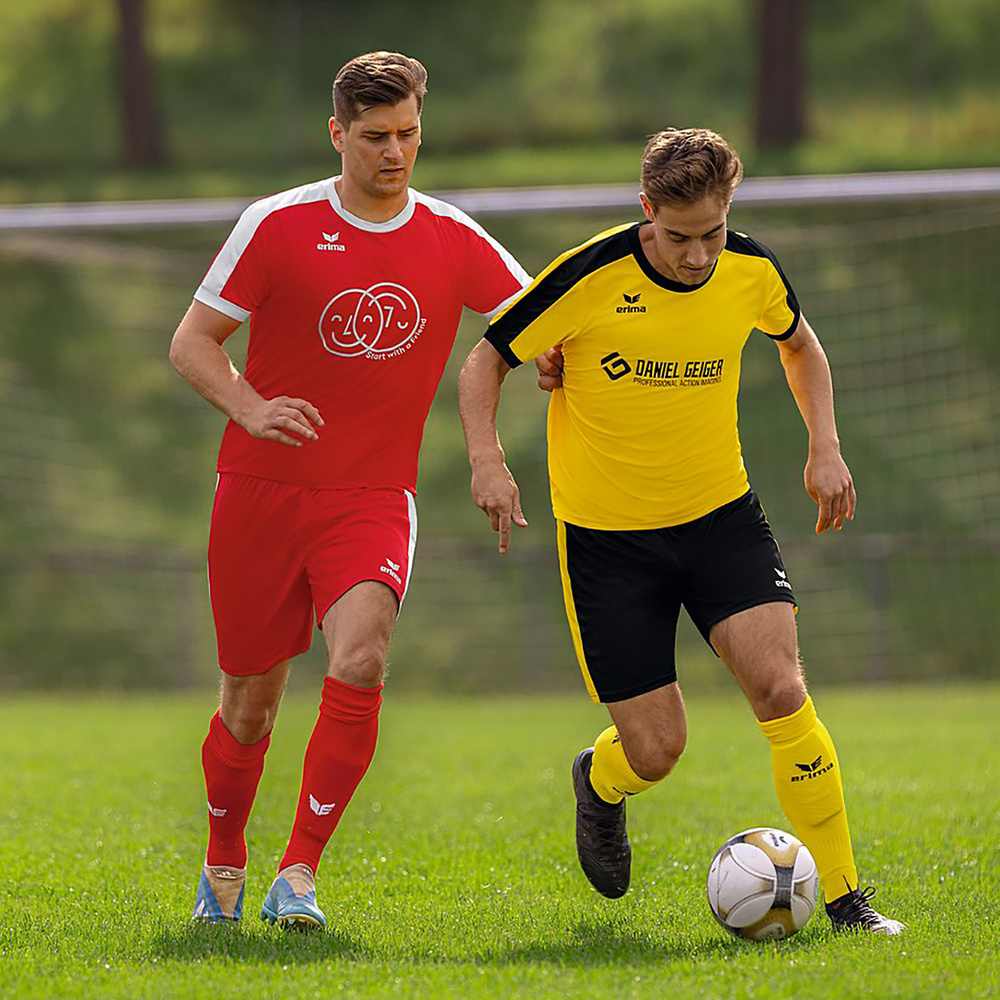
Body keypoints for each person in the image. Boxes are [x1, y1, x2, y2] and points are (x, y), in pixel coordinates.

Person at [458, 128, 904, 934]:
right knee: (658, 750)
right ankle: (599, 781)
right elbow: (487, 359)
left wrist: (825, 446)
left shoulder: (753, 269)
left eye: (714, 234)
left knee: (782, 690)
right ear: (645, 211)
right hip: (607, 542)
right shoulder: (589, 275)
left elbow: (800, 345)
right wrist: (488, 462)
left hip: (720, 518)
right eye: (679, 237)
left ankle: (845, 900)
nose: (699, 256)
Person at [170, 51, 531, 929]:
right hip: (258, 491)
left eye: (408, 133)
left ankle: (299, 873)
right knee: (250, 704)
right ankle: (225, 859)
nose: (394, 152)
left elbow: (539, 320)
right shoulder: (278, 222)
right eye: (374, 137)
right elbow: (192, 343)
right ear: (338, 135)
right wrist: (250, 408)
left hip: (370, 496)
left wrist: (534, 398)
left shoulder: (452, 234)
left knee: (363, 658)